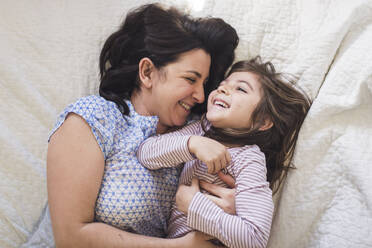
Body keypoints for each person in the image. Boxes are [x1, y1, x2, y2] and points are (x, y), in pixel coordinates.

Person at [22, 3, 239, 248]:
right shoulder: (95, 118)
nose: (200, 95)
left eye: (205, 83)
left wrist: (231, 210)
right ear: (147, 72)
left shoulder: (198, 135)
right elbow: (71, 237)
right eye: (190, 79)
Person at [137, 56, 312, 248]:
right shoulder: (200, 131)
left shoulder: (249, 160)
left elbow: (254, 240)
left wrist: (194, 205)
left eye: (241, 89)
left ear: (262, 121)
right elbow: (145, 153)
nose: (223, 89)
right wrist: (192, 144)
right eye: (223, 84)